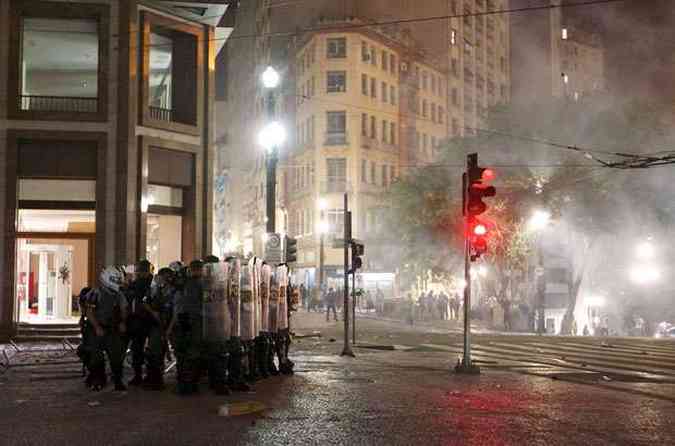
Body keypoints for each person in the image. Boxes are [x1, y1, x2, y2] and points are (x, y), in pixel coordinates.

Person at [84, 267, 128, 391]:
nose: (117, 282)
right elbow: (89, 312)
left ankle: (118, 380)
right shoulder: (95, 292)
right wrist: (97, 327)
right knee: (95, 355)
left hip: (112, 328)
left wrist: (122, 322)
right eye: (115, 279)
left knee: (116, 355)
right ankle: (97, 379)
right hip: (96, 327)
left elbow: (124, 309)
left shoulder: (118, 294)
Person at [171, 260, 206, 395]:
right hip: (195, 322)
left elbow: (179, 306)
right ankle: (191, 384)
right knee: (193, 354)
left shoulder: (184, 284)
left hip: (184, 321)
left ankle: (184, 385)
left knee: (184, 355)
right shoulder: (201, 284)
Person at [143, 268, 177, 390]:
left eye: (163, 277)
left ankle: (158, 380)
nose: (160, 279)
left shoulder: (174, 292)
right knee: (153, 353)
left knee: (161, 353)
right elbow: (145, 302)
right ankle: (153, 378)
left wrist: (169, 329)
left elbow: (175, 313)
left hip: (167, 326)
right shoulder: (155, 290)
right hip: (156, 326)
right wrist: (153, 312)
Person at [125, 259, 154, 386]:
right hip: (137, 321)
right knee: (137, 350)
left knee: (151, 351)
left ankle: (150, 376)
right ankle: (139, 376)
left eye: (140, 271)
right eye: (137, 271)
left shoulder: (152, 284)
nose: (138, 273)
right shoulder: (136, 284)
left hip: (150, 320)